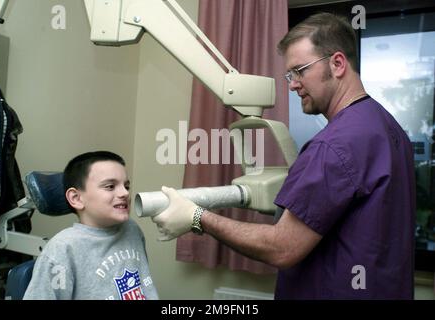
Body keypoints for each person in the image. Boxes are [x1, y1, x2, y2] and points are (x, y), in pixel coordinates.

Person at [152, 13, 416, 299]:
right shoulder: (388, 127)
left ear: (337, 64)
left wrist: (197, 217)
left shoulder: (334, 146)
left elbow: (282, 247)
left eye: (300, 71)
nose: (292, 84)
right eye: (290, 75)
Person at [24, 151, 158, 300]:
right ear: (76, 198)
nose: (125, 193)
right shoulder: (62, 249)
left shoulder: (132, 229)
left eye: (126, 186)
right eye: (110, 186)